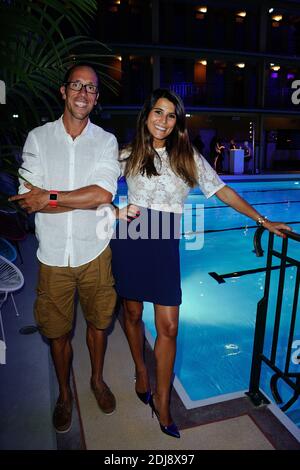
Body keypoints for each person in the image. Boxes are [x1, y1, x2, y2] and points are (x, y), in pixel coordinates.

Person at [110, 88, 292, 439]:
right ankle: (141, 370)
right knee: (132, 314)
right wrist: (107, 210)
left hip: (164, 242)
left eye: (171, 115)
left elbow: (222, 189)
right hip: (131, 236)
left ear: (178, 122)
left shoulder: (187, 156)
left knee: (169, 327)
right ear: (146, 115)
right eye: (157, 112)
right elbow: (97, 185)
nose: (163, 120)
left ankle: (162, 400)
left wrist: (261, 219)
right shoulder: (127, 153)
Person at [9, 63, 120, 434]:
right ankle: (64, 395)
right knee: (57, 333)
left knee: (98, 325)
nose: (83, 94)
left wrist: (50, 196)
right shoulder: (38, 138)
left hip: (95, 253)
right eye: (77, 85)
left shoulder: (106, 141)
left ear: (96, 98)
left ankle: (97, 380)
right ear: (63, 91)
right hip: (53, 255)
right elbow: (28, 199)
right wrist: (78, 199)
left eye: (90, 88)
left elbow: (102, 194)